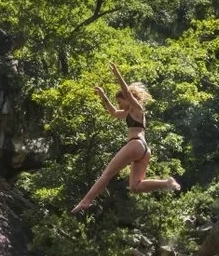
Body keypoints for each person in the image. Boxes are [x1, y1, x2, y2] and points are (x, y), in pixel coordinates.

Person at [71, 62, 180, 214]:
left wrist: (117, 74)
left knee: (107, 174)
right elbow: (114, 113)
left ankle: (85, 201)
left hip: (135, 144)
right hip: (144, 150)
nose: (119, 104)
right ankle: (166, 183)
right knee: (135, 187)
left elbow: (127, 93)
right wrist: (103, 96)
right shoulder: (128, 112)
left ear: (128, 99)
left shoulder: (137, 109)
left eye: (120, 101)